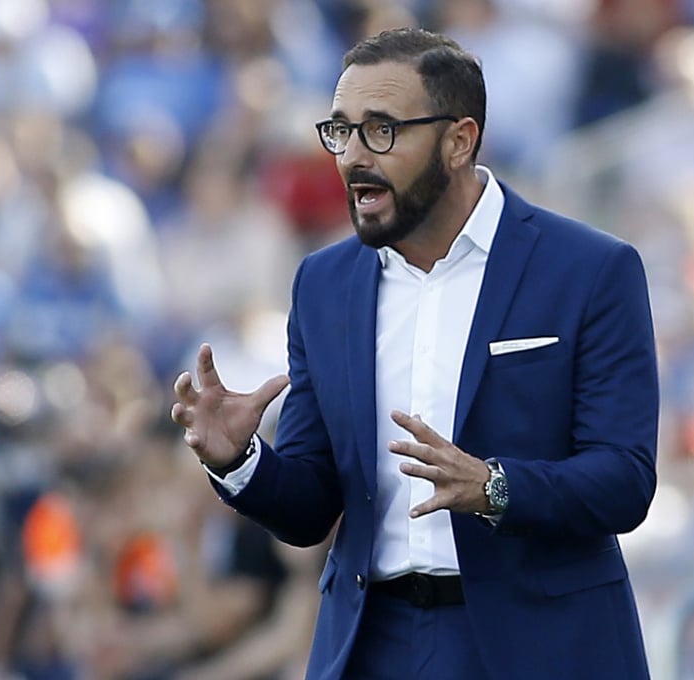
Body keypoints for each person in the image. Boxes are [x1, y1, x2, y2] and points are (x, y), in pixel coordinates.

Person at [171, 27, 660, 680]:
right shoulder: (323, 283)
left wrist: (494, 487)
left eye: (381, 130)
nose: (352, 156)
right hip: (373, 641)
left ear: (459, 140)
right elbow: (311, 509)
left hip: (540, 643)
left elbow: (625, 480)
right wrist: (241, 461)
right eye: (341, 131)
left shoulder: (589, 268)